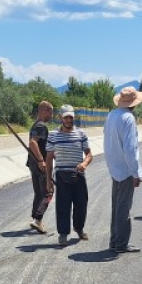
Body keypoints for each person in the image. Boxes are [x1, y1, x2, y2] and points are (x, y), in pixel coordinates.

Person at [104, 85, 142, 254]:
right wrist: (135, 172)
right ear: (134, 104)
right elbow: (130, 148)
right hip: (126, 169)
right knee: (124, 208)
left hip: (115, 167)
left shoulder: (111, 115)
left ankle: (114, 240)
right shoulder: (128, 118)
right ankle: (121, 243)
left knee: (116, 206)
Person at [45, 104, 92, 246]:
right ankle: (63, 233)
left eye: (70, 116)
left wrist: (84, 164)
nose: (68, 119)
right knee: (63, 206)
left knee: (81, 204)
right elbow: (48, 158)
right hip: (61, 174)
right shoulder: (53, 135)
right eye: (65, 117)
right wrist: (48, 179)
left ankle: (79, 228)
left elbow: (89, 154)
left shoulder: (81, 134)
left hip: (78, 174)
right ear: (60, 117)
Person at [27, 100, 55, 234]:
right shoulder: (41, 126)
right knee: (49, 192)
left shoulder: (35, 124)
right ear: (45, 110)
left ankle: (35, 218)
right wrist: (41, 160)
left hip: (33, 164)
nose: (52, 115)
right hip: (40, 164)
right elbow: (33, 143)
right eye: (51, 112)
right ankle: (38, 220)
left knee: (39, 193)